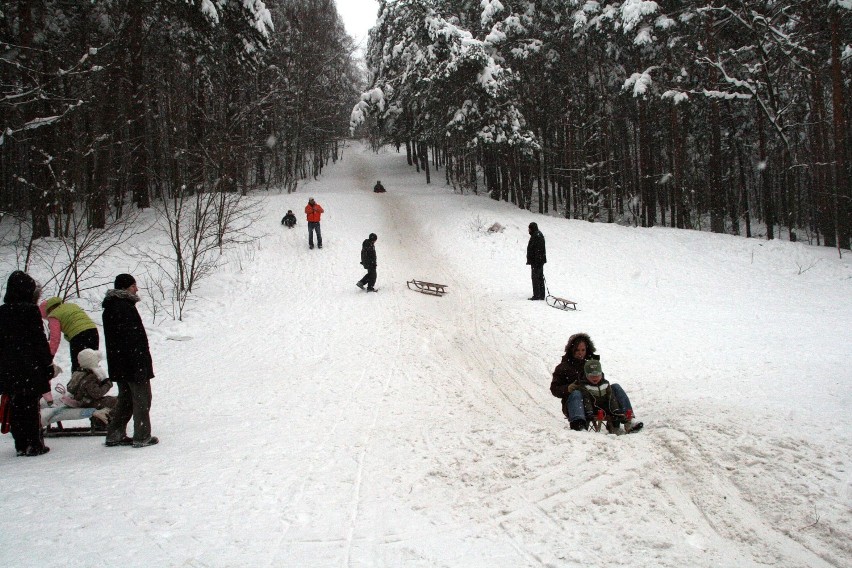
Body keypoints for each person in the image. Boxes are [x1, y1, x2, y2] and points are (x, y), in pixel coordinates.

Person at [0, 271, 59, 456]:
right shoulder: (30, 311)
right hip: (29, 366)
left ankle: (20, 444)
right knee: (30, 406)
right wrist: (47, 363)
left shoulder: (2, 311)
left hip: (8, 367)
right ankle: (34, 443)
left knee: (16, 405)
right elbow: (38, 341)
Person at [102, 274, 158, 448]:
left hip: (119, 364)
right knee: (142, 399)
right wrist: (139, 365)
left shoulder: (111, 307)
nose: (137, 289)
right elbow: (133, 339)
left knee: (126, 399)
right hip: (132, 363)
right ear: (125, 288)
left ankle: (114, 434)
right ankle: (142, 436)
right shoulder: (124, 307)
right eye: (134, 285)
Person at [562, 359, 642, 434]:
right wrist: (589, 413)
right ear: (586, 375)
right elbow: (586, 400)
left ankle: (629, 420)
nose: (595, 378)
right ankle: (579, 425)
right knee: (576, 393)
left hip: (605, 408)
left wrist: (616, 411)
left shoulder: (605, 384)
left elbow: (611, 398)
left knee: (616, 386)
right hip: (588, 409)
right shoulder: (581, 385)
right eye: (591, 375)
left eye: (597, 375)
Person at [39, 296, 99, 373]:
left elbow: (55, 338)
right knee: (92, 362)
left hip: (78, 336)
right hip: (93, 331)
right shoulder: (71, 305)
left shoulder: (53, 315)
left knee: (77, 366)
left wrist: (49, 356)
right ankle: (95, 382)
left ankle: (80, 383)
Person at [550, 332, 598, 422]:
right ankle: (578, 423)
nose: (580, 353)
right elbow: (554, 389)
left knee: (615, 387)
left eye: (583, 350)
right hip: (573, 404)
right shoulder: (563, 367)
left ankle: (627, 418)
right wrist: (568, 388)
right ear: (572, 350)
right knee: (576, 393)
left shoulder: (592, 365)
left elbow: (602, 380)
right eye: (577, 350)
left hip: (594, 403)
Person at [65, 348, 116, 429]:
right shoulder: (90, 377)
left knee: (108, 400)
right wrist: (108, 384)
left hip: (81, 401)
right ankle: (102, 422)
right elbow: (97, 394)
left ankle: (100, 421)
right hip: (88, 403)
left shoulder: (78, 372)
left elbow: (70, 387)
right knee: (116, 401)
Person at [526, 222, 546, 300]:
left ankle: (537, 295)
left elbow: (538, 250)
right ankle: (541, 294)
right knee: (540, 277)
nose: (528, 230)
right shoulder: (537, 235)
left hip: (537, 261)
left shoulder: (536, 236)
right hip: (538, 261)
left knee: (536, 278)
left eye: (529, 229)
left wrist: (537, 261)